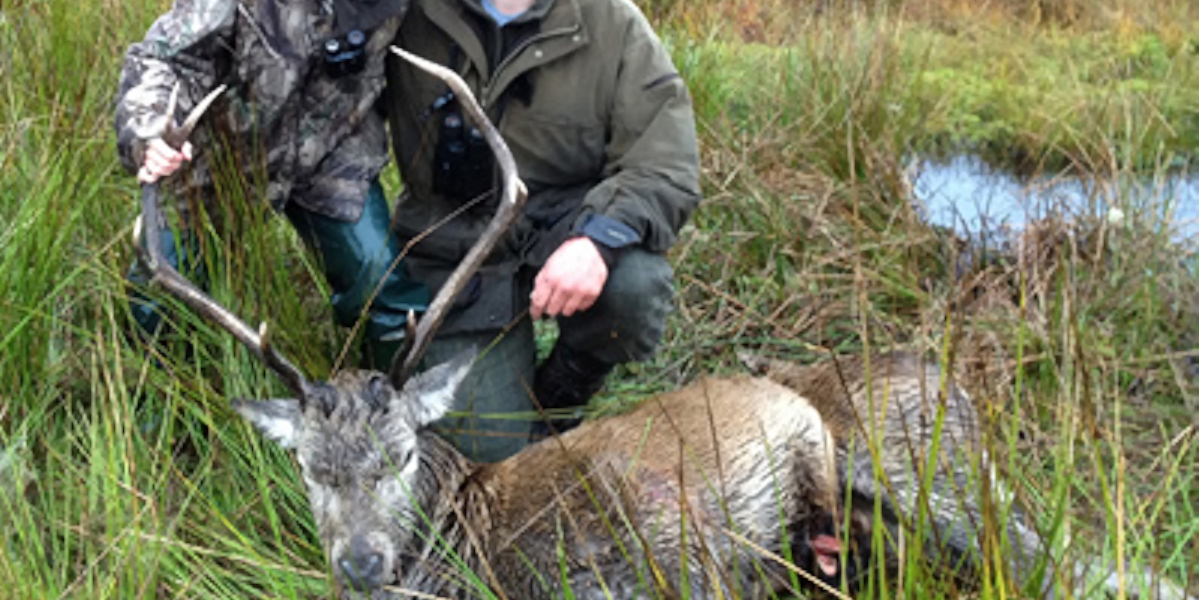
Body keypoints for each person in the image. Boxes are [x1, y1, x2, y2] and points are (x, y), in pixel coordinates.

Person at [383, 0, 702, 461]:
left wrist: (597, 241)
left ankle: (565, 388)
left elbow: (666, 164)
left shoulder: (613, 23)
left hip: (561, 226)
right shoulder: (405, 11)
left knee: (632, 285)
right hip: (449, 252)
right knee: (493, 457)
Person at [115, 0, 429, 353]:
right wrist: (151, 131)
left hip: (330, 151)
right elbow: (166, 60)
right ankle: (159, 397)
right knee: (159, 298)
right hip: (217, 158)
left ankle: (392, 399)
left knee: (384, 288)